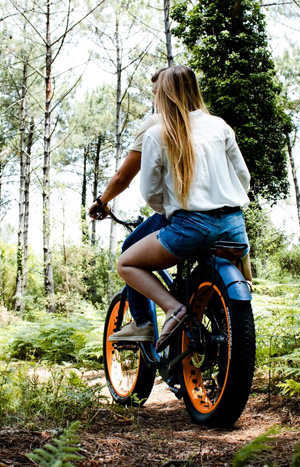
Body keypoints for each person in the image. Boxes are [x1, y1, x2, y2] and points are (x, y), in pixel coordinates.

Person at [89, 65, 252, 352]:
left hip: (190, 227)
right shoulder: (220, 126)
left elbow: (150, 193)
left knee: (126, 262)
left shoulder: (156, 133)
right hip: (234, 226)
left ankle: (172, 310)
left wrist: (173, 210)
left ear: (163, 94)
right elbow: (244, 178)